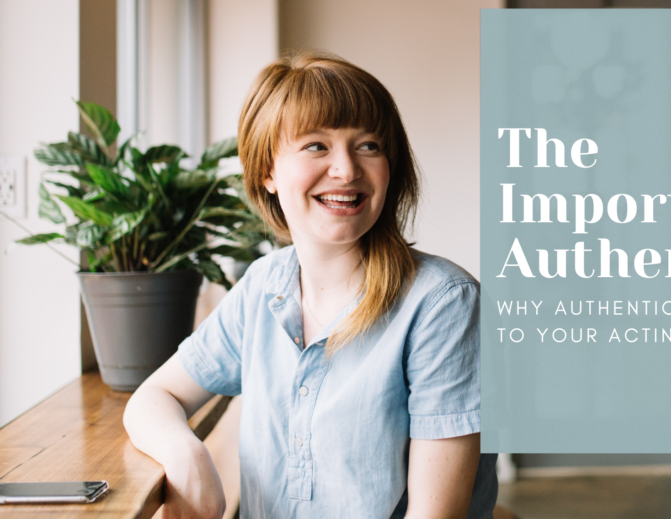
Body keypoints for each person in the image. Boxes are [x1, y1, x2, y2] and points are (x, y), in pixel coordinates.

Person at [123, 52, 498, 518]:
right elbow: (155, 397)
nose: (346, 169)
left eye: (369, 146)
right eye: (317, 146)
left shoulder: (444, 304)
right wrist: (187, 455)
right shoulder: (263, 284)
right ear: (267, 172)